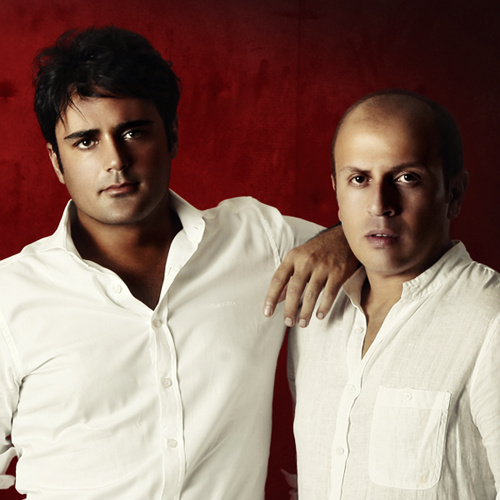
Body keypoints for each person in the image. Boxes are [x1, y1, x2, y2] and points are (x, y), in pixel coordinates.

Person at [0, 27, 355, 499]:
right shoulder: (10, 297)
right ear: (55, 161)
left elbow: (382, 240)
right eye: (85, 141)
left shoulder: (258, 241)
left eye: (133, 132)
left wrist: (343, 240)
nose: (115, 161)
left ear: (171, 135)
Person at [289, 89, 500, 499]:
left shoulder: (488, 320)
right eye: (359, 179)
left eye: (407, 178)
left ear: (453, 193)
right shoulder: (316, 313)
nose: (380, 205)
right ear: (336, 191)